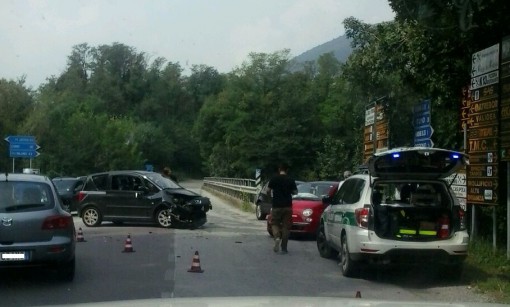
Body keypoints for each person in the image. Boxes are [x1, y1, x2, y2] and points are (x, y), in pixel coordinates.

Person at [266, 163, 297, 254]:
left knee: (274, 223)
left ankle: (277, 237)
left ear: (279, 169)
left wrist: (270, 197)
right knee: (286, 227)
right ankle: (284, 248)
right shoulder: (291, 180)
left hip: (276, 205)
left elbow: (268, 191)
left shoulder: (274, 179)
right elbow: (295, 192)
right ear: (287, 170)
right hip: (287, 206)